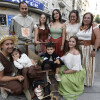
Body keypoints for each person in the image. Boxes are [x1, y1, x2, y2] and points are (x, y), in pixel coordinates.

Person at [76, 12, 100, 86]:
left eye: (88, 18)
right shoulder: (81, 26)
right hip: (79, 48)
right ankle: (80, 81)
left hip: (89, 48)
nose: (86, 19)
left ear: (91, 19)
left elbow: (98, 38)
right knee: (80, 65)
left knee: (88, 66)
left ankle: (87, 82)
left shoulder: (94, 26)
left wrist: (94, 50)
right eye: (85, 17)